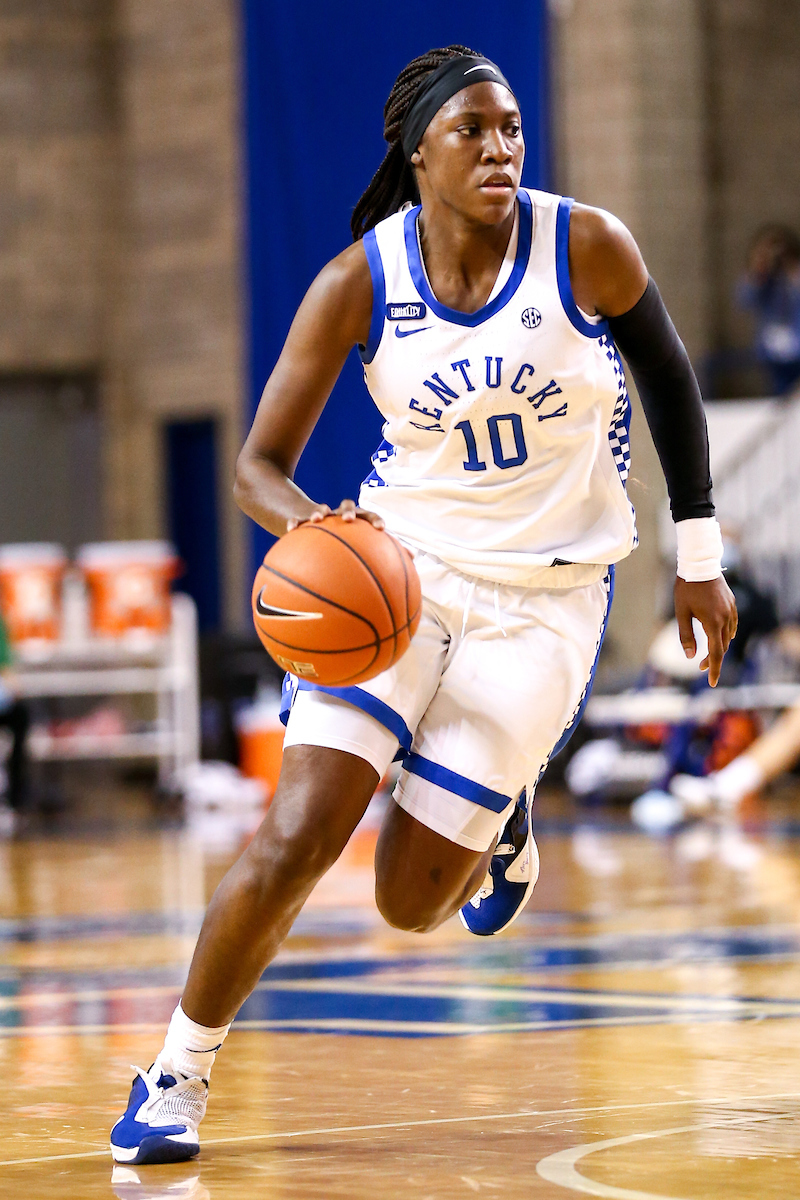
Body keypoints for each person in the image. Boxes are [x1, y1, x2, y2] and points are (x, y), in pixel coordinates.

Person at [110, 45, 737, 1165]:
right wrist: (314, 532)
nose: (499, 149)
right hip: (399, 578)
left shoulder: (583, 245)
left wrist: (698, 553)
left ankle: (501, 815)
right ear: (418, 155)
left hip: (543, 605)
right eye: (472, 133)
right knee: (296, 833)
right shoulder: (360, 280)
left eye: (510, 130)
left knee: (405, 905)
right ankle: (174, 1076)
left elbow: (673, 389)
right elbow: (256, 464)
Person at [737, 223, 800, 396]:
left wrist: (791, 269)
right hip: (773, 353)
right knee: (779, 398)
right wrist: (761, 267)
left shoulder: (794, 274)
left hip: (797, 348)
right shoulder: (763, 280)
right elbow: (744, 301)